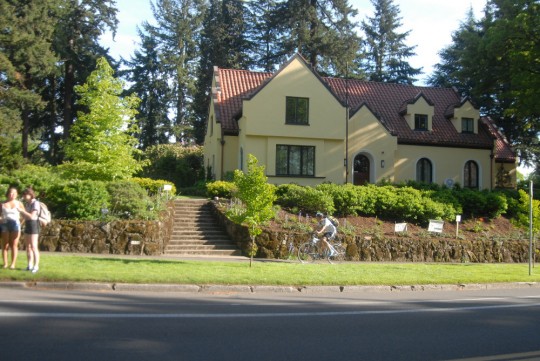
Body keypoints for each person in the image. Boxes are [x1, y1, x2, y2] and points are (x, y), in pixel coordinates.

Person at [1, 187, 24, 269]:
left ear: (17, 194)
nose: (13, 194)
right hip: (5, 224)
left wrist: (20, 223)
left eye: (15, 193)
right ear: (8, 194)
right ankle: (5, 263)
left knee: (14, 245)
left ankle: (13, 264)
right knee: (5, 244)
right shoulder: (2, 203)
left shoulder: (19, 203)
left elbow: (24, 215)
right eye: (11, 193)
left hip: (15, 224)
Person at [19, 187, 41, 273]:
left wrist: (22, 211)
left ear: (30, 195)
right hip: (28, 224)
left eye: (25, 194)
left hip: (33, 224)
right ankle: (29, 265)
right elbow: (25, 216)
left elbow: (32, 216)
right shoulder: (27, 204)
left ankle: (36, 266)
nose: (24, 196)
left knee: (34, 246)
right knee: (28, 246)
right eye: (23, 195)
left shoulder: (35, 203)